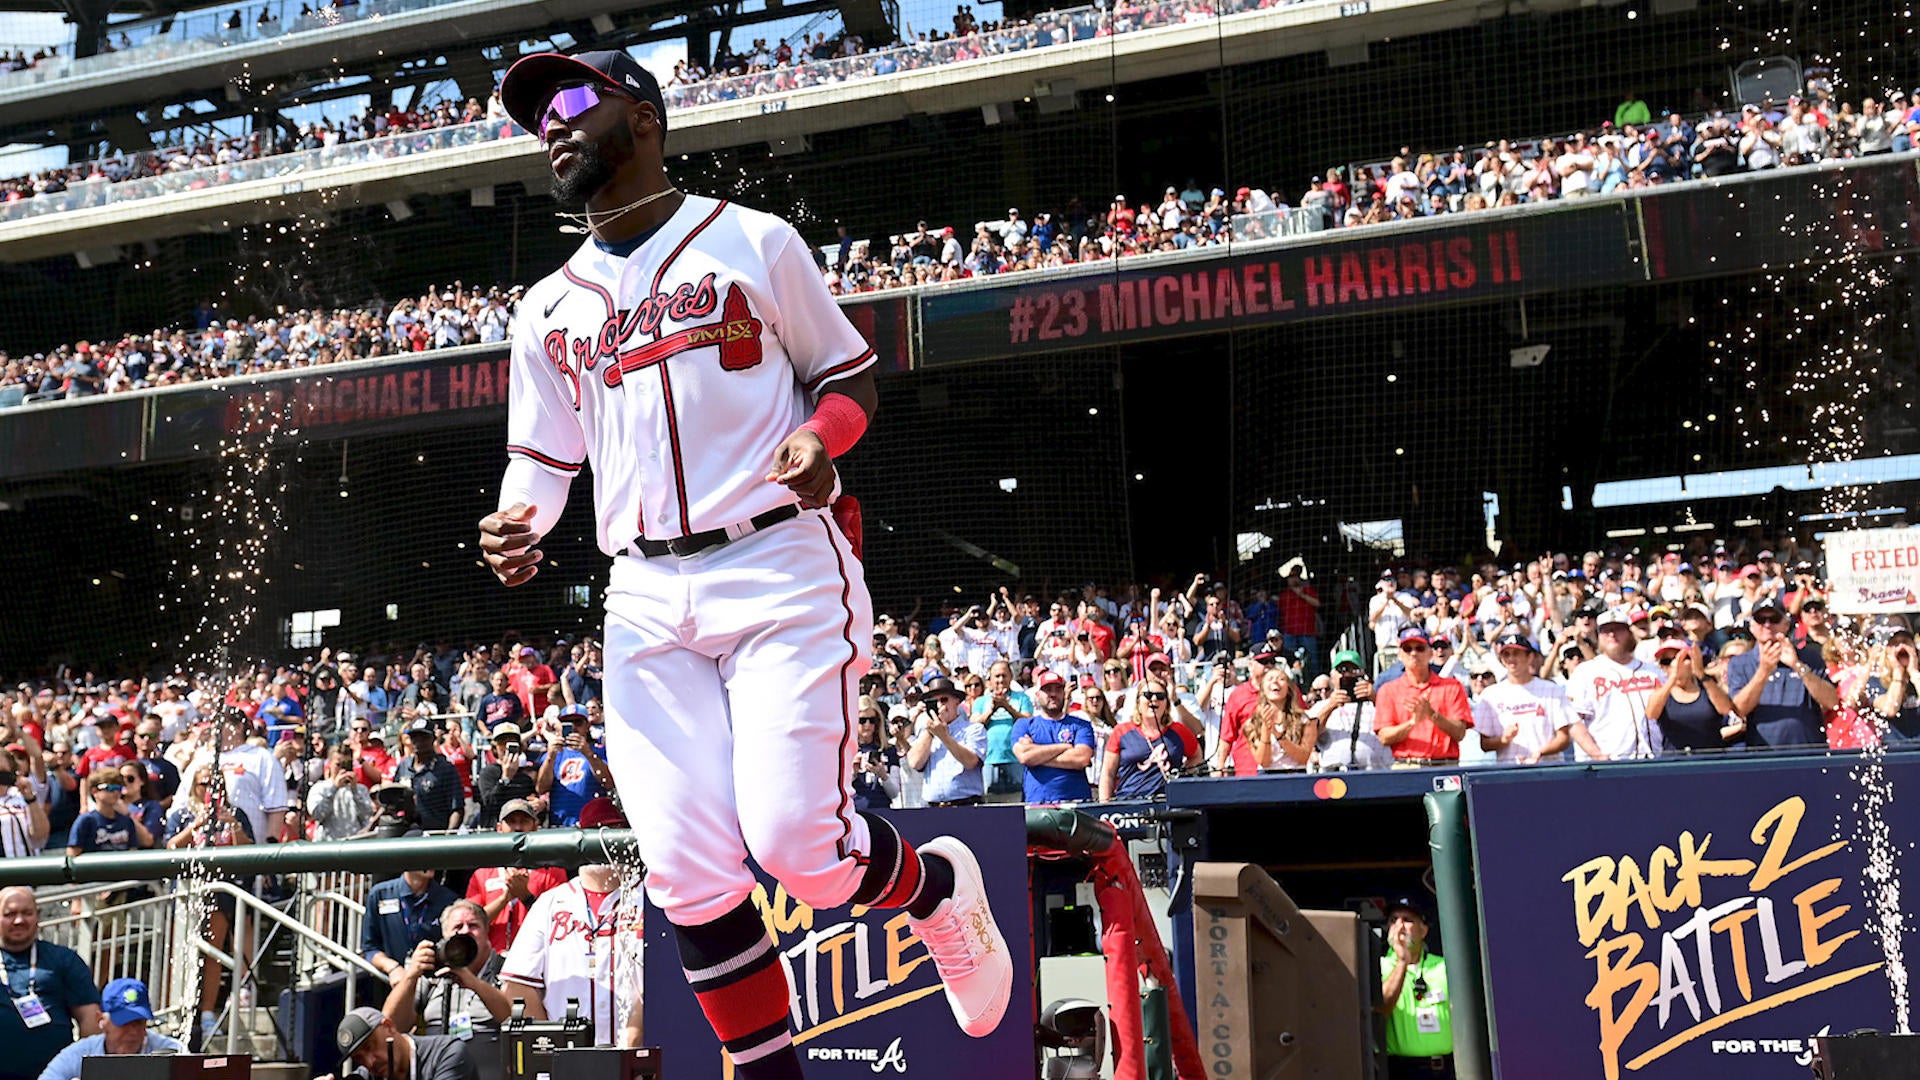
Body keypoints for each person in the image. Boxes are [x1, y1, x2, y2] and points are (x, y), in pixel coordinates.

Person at [481, 49, 1009, 1076]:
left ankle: (942, 891)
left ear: (643, 116)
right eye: (534, 113)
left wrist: (825, 439)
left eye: (571, 99)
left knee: (801, 853)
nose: (549, 122)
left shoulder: (753, 240)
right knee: (684, 872)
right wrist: (518, 522)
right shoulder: (544, 307)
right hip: (640, 589)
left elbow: (846, 373)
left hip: (773, 562)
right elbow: (542, 459)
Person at [500, 799, 644, 1047]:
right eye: (595, 832)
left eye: (612, 833)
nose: (604, 845)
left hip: (644, 1055)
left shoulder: (650, 899)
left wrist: (636, 1036)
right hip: (571, 1061)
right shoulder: (551, 902)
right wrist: (555, 1044)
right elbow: (517, 986)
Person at [0, 886, 102, 1080]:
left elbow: (90, 1019)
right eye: (9, 914)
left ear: (37, 916)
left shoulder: (64, 959)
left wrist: (84, 1070)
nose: (19, 920)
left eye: (27, 913)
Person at [382, 900, 513, 1036]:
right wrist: (411, 976)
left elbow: (513, 1018)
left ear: (487, 931)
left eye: (473, 926)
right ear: (445, 936)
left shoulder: (504, 967)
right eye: (458, 927)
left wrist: (474, 983)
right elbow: (391, 1026)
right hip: (437, 1051)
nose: (465, 931)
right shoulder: (433, 968)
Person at [1471, 634, 1604, 764]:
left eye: (1516, 653)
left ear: (1530, 657)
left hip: (1548, 771)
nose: (1511, 658)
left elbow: (1563, 738)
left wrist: (1540, 753)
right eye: (1506, 654)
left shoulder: (1551, 690)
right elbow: (1485, 744)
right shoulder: (1490, 695)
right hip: (1509, 774)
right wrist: (1504, 739)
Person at [1726, 597, 1837, 749]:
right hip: (1763, 756)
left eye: (1774, 619)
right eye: (1760, 619)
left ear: (1786, 624)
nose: (1767, 625)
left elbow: (1831, 701)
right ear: (1752, 626)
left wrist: (1798, 666)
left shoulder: (1809, 657)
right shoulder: (1739, 663)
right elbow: (1739, 710)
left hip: (1809, 753)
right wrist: (1763, 671)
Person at [466, 800, 568, 953]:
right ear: (500, 828)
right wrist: (504, 899)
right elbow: (470, 924)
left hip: (536, 957)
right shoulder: (482, 873)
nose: (518, 828)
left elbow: (560, 923)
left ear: (535, 827)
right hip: (490, 959)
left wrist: (526, 896)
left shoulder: (553, 872)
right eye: (511, 822)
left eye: (524, 821)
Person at [33, 978, 184, 1080]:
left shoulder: (171, 1051)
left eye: (138, 1022)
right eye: (124, 1023)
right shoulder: (80, 1053)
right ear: (101, 1020)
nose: (133, 1031)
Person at [1566, 611, 1663, 760]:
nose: (1612, 634)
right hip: (1609, 764)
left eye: (1618, 629)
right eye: (1606, 631)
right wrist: (1596, 754)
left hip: (1655, 760)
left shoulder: (1652, 671)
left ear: (1629, 633)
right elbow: (1574, 721)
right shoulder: (1585, 672)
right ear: (1598, 636)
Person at [1378, 897, 1452, 1079]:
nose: (1399, 926)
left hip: (1446, 1068)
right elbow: (1381, 1008)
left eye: (1407, 920)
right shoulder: (1379, 966)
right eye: (1394, 920)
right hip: (1402, 1070)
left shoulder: (1444, 966)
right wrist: (1402, 961)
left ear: (1423, 930)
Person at [1374, 629, 1472, 764]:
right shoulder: (1388, 690)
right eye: (1407, 649)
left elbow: (1460, 733)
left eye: (1420, 648)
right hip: (1407, 766)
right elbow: (1384, 737)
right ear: (1400, 654)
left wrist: (1432, 714)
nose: (1413, 653)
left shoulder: (1452, 687)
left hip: (1444, 766)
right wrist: (1412, 723)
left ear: (1430, 653)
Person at [1098, 675, 1197, 801]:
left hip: (1168, 804)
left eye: (1160, 696)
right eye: (1148, 695)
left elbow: (1196, 756)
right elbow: (1108, 774)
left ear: (1166, 704)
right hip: (1129, 804)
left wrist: (1183, 777)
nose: (1154, 699)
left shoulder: (1179, 731)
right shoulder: (1121, 731)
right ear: (1138, 702)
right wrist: (1105, 806)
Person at [362, 865, 460, 985]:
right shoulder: (380, 894)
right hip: (391, 984)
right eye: (424, 855)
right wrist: (393, 968)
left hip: (434, 986)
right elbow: (370, 948)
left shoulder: (449, 900)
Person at [1011, 670, 1096, 802]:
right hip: (1037, 802)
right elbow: (1024, 756)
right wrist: (1065, 747)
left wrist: (1037, 756)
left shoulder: (1081, 725)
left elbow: (1081, 758)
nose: (1053, 694)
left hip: (1076, 802)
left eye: (1058, 689)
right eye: (1047, 690)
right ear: (1038, 694)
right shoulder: (1024, 725)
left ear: (1064, 693)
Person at [329, 1006, 478, 1080]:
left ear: (389, 1026)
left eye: (370, 1046)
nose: (370, 1062)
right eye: (359, 1059)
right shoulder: (368, 1075)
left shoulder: (446, 1054)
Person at [1647, 639, 1742, 752]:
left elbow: (1726, 709)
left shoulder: (1708, 688)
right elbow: (1651, 714)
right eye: (1666, 661)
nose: (1674, 664)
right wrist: (1673, 678)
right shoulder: (1661, 694)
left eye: (1681, 659)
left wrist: (1701, 673)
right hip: (1675, 762)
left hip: (1710, 760)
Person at [907, 678, 986, 807]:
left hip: (965, 805)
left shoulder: (973, 729)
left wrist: (944, 736)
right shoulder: (926, 733)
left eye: (944, 700)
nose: (939, 706)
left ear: (957, 701)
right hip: (933, 808)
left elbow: (970, 762)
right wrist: (931, 732)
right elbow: (914, 762)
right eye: (933, 702)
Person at [1310, 650, 1393, 770]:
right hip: (1335, 779)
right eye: (1342, 670)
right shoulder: (1321, 706)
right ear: (1332, 675)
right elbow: (1307, 736)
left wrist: (1376, 699)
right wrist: (1330, 706)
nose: (1347, 675)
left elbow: (1396, 724)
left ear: (1362, 674)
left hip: (1376, 773)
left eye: (1353, 670)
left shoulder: (1378, 701)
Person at [534, 705, 611, 826]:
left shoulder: (600, 752)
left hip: (593, 824)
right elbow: (541, 788)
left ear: (587, 726)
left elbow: (608, 783)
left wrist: (588, 753)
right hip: (560, 825)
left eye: (578, 722)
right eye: (567, 723)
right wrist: (550, 757)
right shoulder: (554, 753)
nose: (573, 727)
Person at [391, 723, 464, 832]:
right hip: (408, 831)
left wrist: (449, 836)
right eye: (414, 737)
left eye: (423, 737)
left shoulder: (445, 768)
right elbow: (393, 802)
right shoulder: (404, 766)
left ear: (433, 739)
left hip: (436, 832)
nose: (418, 741)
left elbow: (457, 808)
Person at [473, 724, 538, 828]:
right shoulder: (488, 773)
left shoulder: (525, 777)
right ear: (495, 748)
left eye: (512, 743)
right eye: (502, 743)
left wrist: (539, 805)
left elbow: (533, 811)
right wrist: (505, 778)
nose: (507, 747)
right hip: (494, 832)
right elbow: (489, 803)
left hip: (521, 831)